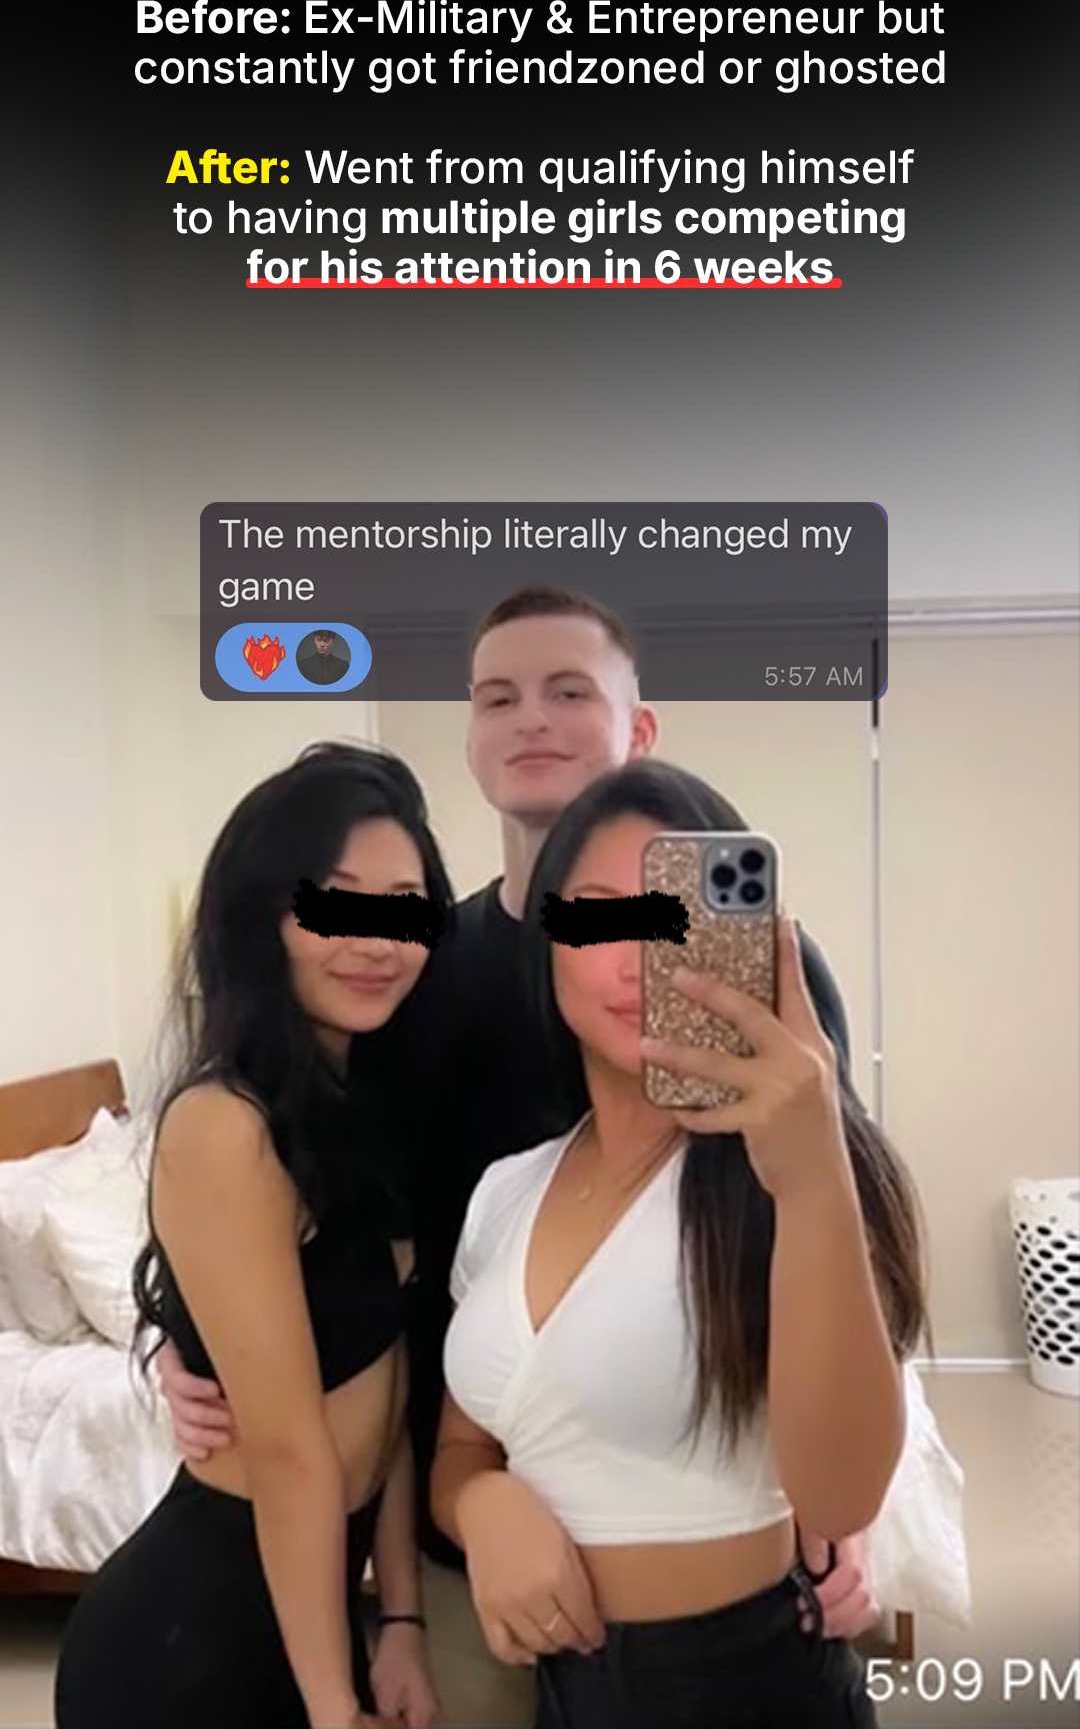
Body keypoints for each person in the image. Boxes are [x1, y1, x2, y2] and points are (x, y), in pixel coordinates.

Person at [160, 588, 881, 1725]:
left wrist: (848, 1499)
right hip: (464, 1536)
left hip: (722, 1574)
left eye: (570, 691)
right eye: (499, 697)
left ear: (639, 728)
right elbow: (309, 1191)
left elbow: (841, 1256)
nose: (532, 719)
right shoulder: (408, 970)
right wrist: (185, 1334)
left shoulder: (768, 988)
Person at [432, 760, 928, 1729]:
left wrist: (813, 1174)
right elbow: (462, 1443)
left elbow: (839, 1497)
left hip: (751, 1687)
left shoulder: (784, 1174)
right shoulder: (507, 1190)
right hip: (564, 1696)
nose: (634, 959)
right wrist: (480, 1507)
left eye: (671, 920)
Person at [55, 743, 450, 1729]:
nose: (376, 939)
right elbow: (288, 1454)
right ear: (262, 915)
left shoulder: (361, 1107)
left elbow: (388, 1387)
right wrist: (333, 1706)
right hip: (191, 1645)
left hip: (308, 1615)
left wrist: (402, 1620)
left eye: (404, 906)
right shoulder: (226, 1124)